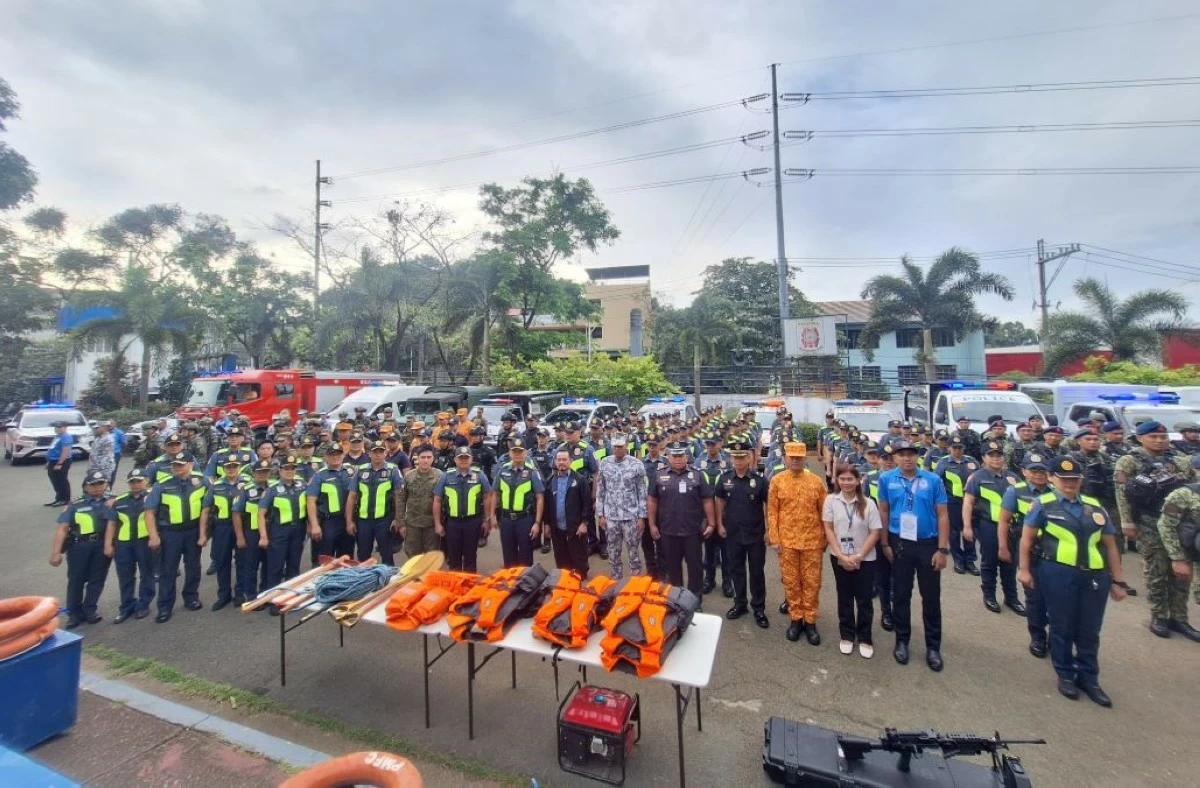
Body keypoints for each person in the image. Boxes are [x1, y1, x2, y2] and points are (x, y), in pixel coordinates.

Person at [1019, 456, 1131, 706]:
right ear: (1052, 479)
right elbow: (1027, 540)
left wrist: (1119, 580)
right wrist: (1024, 570)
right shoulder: (1042, 505)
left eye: (1075, 479)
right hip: (1058, 572)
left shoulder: (1094, 506)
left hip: (1094, 576)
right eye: (1064, 479)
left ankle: (1089, 678)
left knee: (1090, 630)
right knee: (1062, 625)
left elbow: (1110, 545)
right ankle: (1065, 674)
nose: (1070, 483)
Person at [1113, 420, 1196, 639]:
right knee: (1156, 570)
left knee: (1182, 571)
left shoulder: (1180, 460)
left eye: (1163, 437)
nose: (1159, 441)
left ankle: (1179, 618)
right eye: (1153, 437)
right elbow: (1121, 493)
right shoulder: (1129, 461)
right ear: (1140, 438)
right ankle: (1159, 615)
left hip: (1178, 523)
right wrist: (1126, 522)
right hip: (1148, 521)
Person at [877, 441, 950, 671]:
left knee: (931, 598)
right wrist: (884, 543)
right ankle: (902, 641)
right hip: (900, 544)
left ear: (917, 457)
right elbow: (883, 510)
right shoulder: (886, 479)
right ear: (895, 458)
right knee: (900, 594)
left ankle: (933, 647)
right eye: (902, 455)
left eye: (911, 454)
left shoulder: (933, 480)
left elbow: (943, 515)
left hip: (928, 544)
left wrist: (942, 549)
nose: (907, 458)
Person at [767, 442, 828, 645]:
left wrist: (825, 539)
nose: (795, 460)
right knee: (791, 582)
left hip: (812, 542)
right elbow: (772, 512)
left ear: (805, 458)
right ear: (785, 458)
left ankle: (810, 621)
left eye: (799, 457)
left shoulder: (816, 482)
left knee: (812, 583)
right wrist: (774, 538)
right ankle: (796, 619)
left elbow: (824, 513)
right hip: (787, 542)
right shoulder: (777, 481)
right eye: (791, 457)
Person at [822, 462, 883, 658]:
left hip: (865, 558)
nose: (846, 482)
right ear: (837, 480)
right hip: (839, 557)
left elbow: (875, 532)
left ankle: (865, 638)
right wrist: (841, 555)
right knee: (845, 597)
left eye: (850, 479)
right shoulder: (831, 500)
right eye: (842, 479)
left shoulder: (869, 503)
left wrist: (859, 556)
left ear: (858, 480)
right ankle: (847, 635)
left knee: (864, 599)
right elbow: (828, 528)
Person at [143, 452, 212, 623]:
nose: (177, 467)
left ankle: (191, 597)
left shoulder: (202, 481)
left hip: (193, 531)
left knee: (193, 567)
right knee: (168, 570)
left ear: (190, 464)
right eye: (175, 464)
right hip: (170, 533)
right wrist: (153, 536)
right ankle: (164, 606)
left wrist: (204, 533)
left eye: (181, 464)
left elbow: (209, 508)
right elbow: (149, 512)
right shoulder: (161, 485)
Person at [999, 454, 1055, 657]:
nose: (1039, 474)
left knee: (1057, 598)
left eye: (1042, 470)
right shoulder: (1015, 491)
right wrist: (1003, 547)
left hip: (1053, 552)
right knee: (1035, 598)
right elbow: (1004, 521)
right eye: (1034, 470)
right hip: (1028, 550)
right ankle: (1038, 637)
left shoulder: (1057, 492)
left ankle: (1056, 637)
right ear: (1024, 472)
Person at [962, 440, 1024, 615]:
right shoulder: (977, 477)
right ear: (983, 458)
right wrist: (967, 526)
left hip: (1012, 527)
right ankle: (989, 595)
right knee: (989, 562)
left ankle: (1011, 597)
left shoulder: (1013, 477)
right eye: (991, 455)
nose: (996, 458)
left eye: (999, 455)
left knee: (1010, 562)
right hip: (988, 525)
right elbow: (968, 502)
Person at [647, 440, 715, 599]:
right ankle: (676, 601)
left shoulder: (697, 475)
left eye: (681, 456)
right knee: (672, 569)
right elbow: (652, 500)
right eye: (674, 456)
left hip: (692, 531)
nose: (678, 459)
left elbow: (707, 500)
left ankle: (695, 600)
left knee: (695, 568)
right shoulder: (659, 475)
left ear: (687, 457)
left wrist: (711, 523)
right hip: (668, 531)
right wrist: (652, 524)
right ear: (668, 457)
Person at [715, 439, 770, 627]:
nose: (738, 461)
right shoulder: (724, 479)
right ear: (731, 459)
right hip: (733, 534)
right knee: (736, 570)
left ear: (749, 458)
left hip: (755, 534)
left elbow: (768, 505)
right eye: (735, 457)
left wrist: (769, 529)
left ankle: (759, 608)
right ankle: (740, 604)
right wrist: (719, 524)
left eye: (742, 457)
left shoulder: (760, 480)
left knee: (757, 572)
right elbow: (719, 501)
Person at [49, 469, 113, 627]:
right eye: (93, 484)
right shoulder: (75, 504)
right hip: (79, 546)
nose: (97, 487)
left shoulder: (112, 502)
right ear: (85, 487)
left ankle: (90, 610)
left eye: (101, 483)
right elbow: (63, 528)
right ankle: (74, 614)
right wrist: (56, 553)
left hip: (101, 545)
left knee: (97, 580)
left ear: (106, 485)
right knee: (76, 580)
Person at [104, 466, 156, 622]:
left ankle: (143, 605)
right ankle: (126, 607)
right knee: (125, 576)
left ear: (146, 481)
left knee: (147, 574)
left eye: (139, 481)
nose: (136, 484)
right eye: (132, 482)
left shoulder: (153, 497)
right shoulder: (119, 501)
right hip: (123, 543)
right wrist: (108, 545)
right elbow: (112, 524)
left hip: (144, 541)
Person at [1155, 464, 1200, 643]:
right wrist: (1177, 558)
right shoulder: (1184, 494)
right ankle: (1159, 616)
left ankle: (1179, 620)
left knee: (1184, 586)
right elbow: (1165, 525)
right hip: (1175, 543)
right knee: (1158, 577)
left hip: (1194, 546)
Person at [594, 433, 648, 580]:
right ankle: (615, 582)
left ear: (626, 446)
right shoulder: (605, 463)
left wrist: (642, 517)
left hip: (631, 517)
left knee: (634, 554)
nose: (617, 449)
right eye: (615, 447)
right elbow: (601, 490)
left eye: (620, 446)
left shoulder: (636, 464)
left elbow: (642, 492)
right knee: (613, 553)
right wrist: (600, 515)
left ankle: (635, 584)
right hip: (611, 517)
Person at [433, 446, 494, 572]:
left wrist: (487, 520)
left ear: (471, 459)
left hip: (472, 522)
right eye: (461, 458)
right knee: (453, 557)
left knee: (470, 557)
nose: (463, 460)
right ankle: (455, 583)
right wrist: (437, 524)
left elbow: (487, 497)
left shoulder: (479, 475)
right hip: (452, 523)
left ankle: (469, 582)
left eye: (466, 457)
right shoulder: (446, 476)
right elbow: (437, 500)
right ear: (455, 460)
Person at [344, 441, 405, 566]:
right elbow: (351, 497)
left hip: (384, 520)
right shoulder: (361, 470)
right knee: (363, 555)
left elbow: (399, 496)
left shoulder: (393, 470)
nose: (378, 455)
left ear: (385, 453)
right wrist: (349, 521)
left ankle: (388, 577)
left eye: (381, 452)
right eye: (375, 452)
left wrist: (397, 519)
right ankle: (365, 577)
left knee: (387, 554)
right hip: (363, 521)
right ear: (369, 454)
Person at [203, 456, 246, 611]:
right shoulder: (215, 486)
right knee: (222, 562)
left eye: (234, 466)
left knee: (242, 561)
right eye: (228, 466)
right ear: (223, 468)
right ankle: (223, 595)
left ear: (239, 467)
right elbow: (206, 509)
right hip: (222, 527)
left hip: (242, 526)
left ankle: (240, 593)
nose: (231, 469)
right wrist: (203, 533)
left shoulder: (247, 483)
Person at [493, 442, 544, 568]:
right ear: (510, 453)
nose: (517, 454)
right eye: (514, 451)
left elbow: (540, 497)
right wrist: (492, 516)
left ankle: (525, 581)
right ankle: (511, 579)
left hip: (525, 520)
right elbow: (495, 493)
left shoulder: (532, 472)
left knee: (526, 557)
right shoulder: (503, 470)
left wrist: (537, 523)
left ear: (525, 453)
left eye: (520, 451)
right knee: (508, 555)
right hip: (506, 520)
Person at [543, 449, 592, 578]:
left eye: (564, 460)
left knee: (579, 557)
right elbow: (547, 506)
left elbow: (587, 504)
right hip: (557, 528)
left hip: (576, 527)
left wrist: (584, 523)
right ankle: (565, 580)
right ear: (555, 462)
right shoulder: (550, 481)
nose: (561, 462)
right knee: (561, 559)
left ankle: (581, 579)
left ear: (570, 461)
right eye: (559, 460)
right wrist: (547, 524)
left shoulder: (580, 480)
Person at [933, 436, 979, 575]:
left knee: (969, 530)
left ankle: (970, 560)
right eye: (955, 448)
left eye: (960, 448)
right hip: (952, 502)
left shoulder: (971, 461)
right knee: (953, 533)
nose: (958, 451)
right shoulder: (943, 462)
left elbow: (980, 477)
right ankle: (958, 560)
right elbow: (937, 482)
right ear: (949, 448)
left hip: (970, 502)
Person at [395, 444, 444, 558]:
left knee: (431, 556)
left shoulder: (440, 476)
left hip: (432, 524)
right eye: (423, 457)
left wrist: (441, 523)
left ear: (433, 458)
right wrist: (401, 523)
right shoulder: (409, 477)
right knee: (413, 556)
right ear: (417, 458)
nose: (426, 460)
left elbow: (444, 501)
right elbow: (401, 500)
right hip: (413, 524)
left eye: (429, 457)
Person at [45, 420, 76, 506]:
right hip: (53, 461)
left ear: (65, 428)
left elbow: (66, 451)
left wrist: (59, 463)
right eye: (56, 427)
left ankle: (65, 499)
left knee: (61, 480)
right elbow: (53, 449)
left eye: (59, 427)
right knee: (55, 481)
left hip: (61, 461)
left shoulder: (66, 437)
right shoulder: (58, 436)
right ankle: (58, 498)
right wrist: (49, 461)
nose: (57, 429)